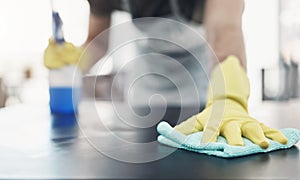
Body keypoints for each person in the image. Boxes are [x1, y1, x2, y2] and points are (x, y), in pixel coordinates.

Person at [44, 0, 288, 148]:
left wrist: (229, 97)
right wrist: (73, 61)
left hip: (205, 83)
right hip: (145, 89)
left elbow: (224, 30)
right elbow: (98, 41)